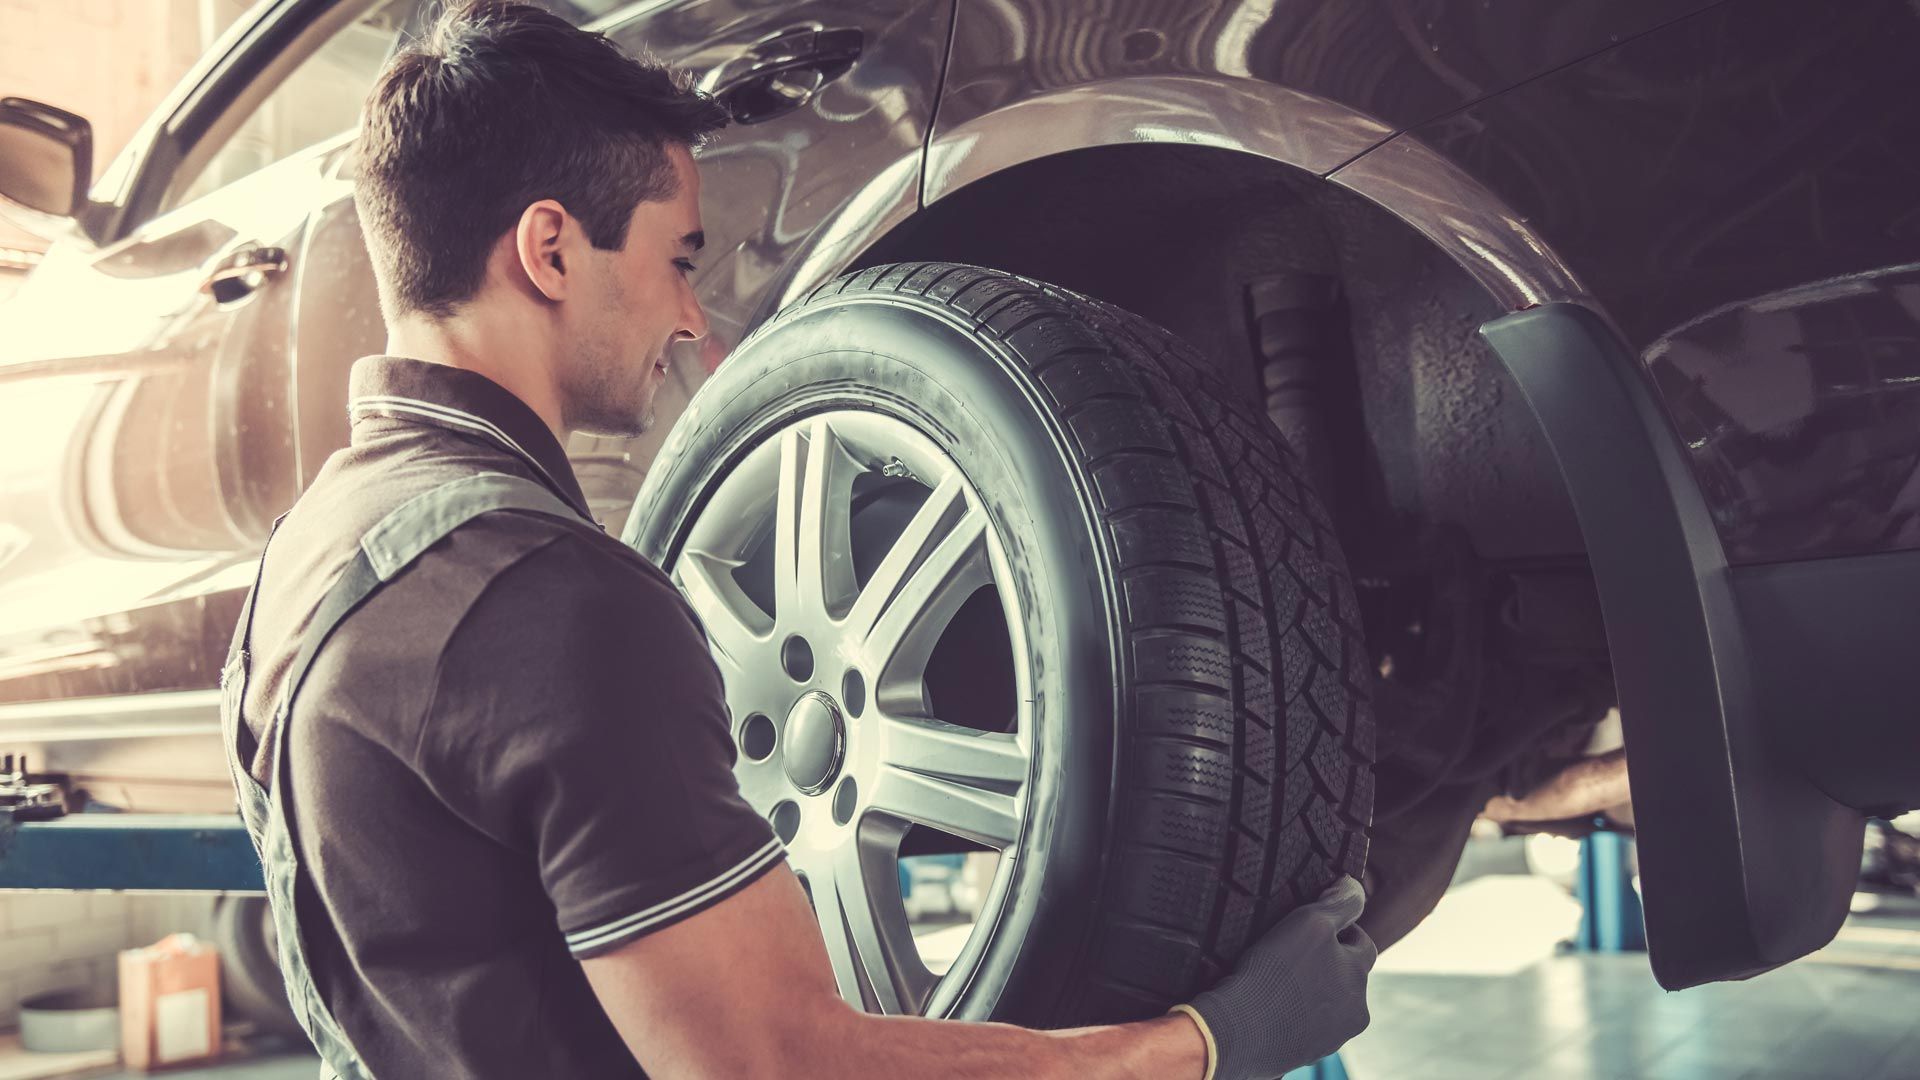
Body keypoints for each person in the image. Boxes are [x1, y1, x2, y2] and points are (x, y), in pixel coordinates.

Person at [221, 3, 1376, 1078]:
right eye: (679, 258)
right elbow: (775, 1063)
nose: (692, 317)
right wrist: (1200, 1043)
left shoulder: (303, 560)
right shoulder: (550, 598)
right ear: (551, 249)